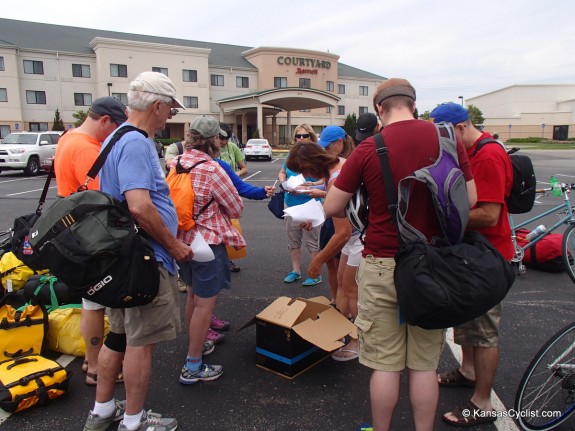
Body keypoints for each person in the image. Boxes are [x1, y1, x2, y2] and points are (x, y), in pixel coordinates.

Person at [322, 78, 477, 431]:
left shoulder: (368, 148)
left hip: (382, 264)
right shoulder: (447, 139)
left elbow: (333, 204)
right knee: (423, 365)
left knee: (386, 365)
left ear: (380, 108)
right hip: (432, 264)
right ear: (413, 103)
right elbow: (469, 201)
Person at [82, 71, 192, 431]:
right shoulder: (137, 143)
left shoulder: (115, 136)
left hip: (119, 258)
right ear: (156, 104)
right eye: (170, 109)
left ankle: (102, 411)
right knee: (141, 343)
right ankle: (133, 421)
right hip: (144, 259)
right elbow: (140, 206)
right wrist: (173, 245)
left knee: (119, 335)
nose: (170, 116)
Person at [431, 102, 514, 427]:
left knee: (483, 332)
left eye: (445, 138)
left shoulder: (489, 155)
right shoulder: (471, 151)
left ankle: (483, 402)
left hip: (488, 258)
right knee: (465, 320)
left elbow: (490, 214)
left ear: (461, 129)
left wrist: (442, 217)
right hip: (471, 254)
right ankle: (466, 372)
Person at [54, 96, 127, 386]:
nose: (113, 136)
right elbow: (103, 197)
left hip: (73, 228)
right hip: (91, 231)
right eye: (115, 128)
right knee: (98, 300)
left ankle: (91, 358)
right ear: (104, 121)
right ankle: (98, 366)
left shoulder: (68, 138)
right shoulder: (87, 149)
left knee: (89, 300)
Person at [168, 116, 244, 385]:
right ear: (213, 140)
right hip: (207, 245)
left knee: (191, 297)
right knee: (204, 304)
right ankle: (193, 365)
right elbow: (236, 207)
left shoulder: (176, 163)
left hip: (181, 240)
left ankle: (196, 347)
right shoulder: (212, 169)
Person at [277, 124, 323, 286]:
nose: (301, 139)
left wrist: (311, 186)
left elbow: (326, 178)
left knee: (313, 241)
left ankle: (315, 273)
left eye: (305, 136)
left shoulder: (317, 155)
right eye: (298, 136)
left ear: (312, 137)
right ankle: (295, 271)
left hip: (311, 204)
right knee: (293, 239)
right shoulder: (292, 154)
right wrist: (284, 183)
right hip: (290, 203)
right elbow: (283, 172)